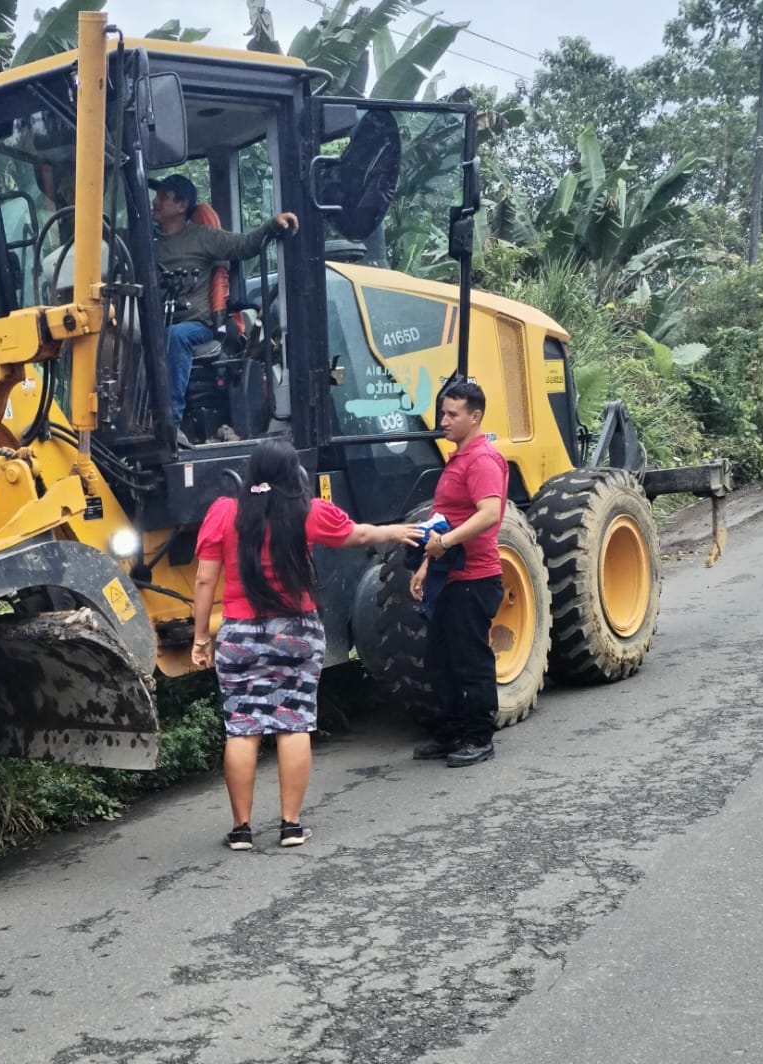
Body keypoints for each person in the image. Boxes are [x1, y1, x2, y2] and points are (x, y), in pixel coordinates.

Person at [191, 438, 422, 850]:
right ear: (291, 473)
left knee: (242, 728)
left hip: (241, 633)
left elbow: (205, 579)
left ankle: (241, 830)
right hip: (296, 632)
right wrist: (396, 531)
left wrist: (200, 638)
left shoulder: (224, 512)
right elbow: (358, 534)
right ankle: (291, 826)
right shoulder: (306, 511)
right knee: (293, 723)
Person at [151, 174, 298, 446]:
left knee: (175, 336)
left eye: (163, 197)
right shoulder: (150, 245)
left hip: (197, 326)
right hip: (159, 323)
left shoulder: (202, 237)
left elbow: (242, 244)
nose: (155, 202)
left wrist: (271, 225)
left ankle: (171, 425)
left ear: (182, 206)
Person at [409, 380, 510, 768]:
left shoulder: (482, 460)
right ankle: (449, 733)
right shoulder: (458, 458)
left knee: (471, 661)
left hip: (474, 578)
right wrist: (426, 565)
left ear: (475, 416)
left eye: (453, 414)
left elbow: (490, 514)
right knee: (440, 659)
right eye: (443, 413)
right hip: (448, 576)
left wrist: (447, 543)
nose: (444, 420)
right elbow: (444, 519)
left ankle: (480, 737)